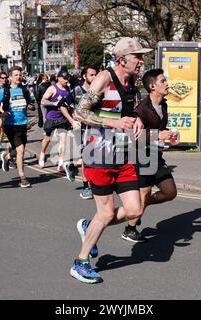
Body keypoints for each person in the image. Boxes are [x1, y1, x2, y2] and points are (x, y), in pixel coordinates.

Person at [69, 37, 149, 284]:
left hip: (123, 155)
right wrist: (113, 122)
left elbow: (131, 110)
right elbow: (80, 112)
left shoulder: (132, 81)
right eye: (137, 56)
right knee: (105, 213)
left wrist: (138, 120)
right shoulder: (104, 78)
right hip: (98, 156)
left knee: (135, 209)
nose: (141, 61)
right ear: (122, 59)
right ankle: (81, 263)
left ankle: (88, 226)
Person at [120, 68, 177, 243]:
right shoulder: (141, 110)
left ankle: (141, 206)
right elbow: (133, 136)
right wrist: (158, 135)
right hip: (140, 156)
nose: (167, 83)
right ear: (152, 86)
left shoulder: (163, 104)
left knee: (170, 192)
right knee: (144, 193)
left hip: (155, 155)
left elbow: (158, 130)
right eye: (163, 81)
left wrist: (166, 133)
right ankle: (130, 229)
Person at [0, 66, 35, 188]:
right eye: (16, 75)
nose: (19, 76)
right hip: (10, 125)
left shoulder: (24, 90)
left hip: (23, 124)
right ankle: (22, 177)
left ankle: (6, 157)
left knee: (18, 149)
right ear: (10, 77)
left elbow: (30, 103)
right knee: (21, 150)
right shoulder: (5, 91)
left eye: (20, 74)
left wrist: (31, 107)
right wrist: (1, 114)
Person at [62, 66, 97, 200]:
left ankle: (71, 166)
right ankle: (86, 187)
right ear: (84, 76)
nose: (94, 77)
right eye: (92, 75)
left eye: (96, 75)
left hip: (95, 128)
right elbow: (63, 106)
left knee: (93, 156)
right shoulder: (76, 91)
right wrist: (72, 121)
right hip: (81, 129)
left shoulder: (98, 91)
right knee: (87, 157)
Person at [39, 69, 72, 171]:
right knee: (47, 139)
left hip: (62, 119)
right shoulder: (52, 88)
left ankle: (61, 163)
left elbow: (70, 102)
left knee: (63, 141)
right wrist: (54, 104)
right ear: (59, 78)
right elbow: (43, 101)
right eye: (65, 78)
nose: (67, 80)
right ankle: (42, 153)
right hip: (51, 118)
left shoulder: (68, 89)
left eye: (68, 78)